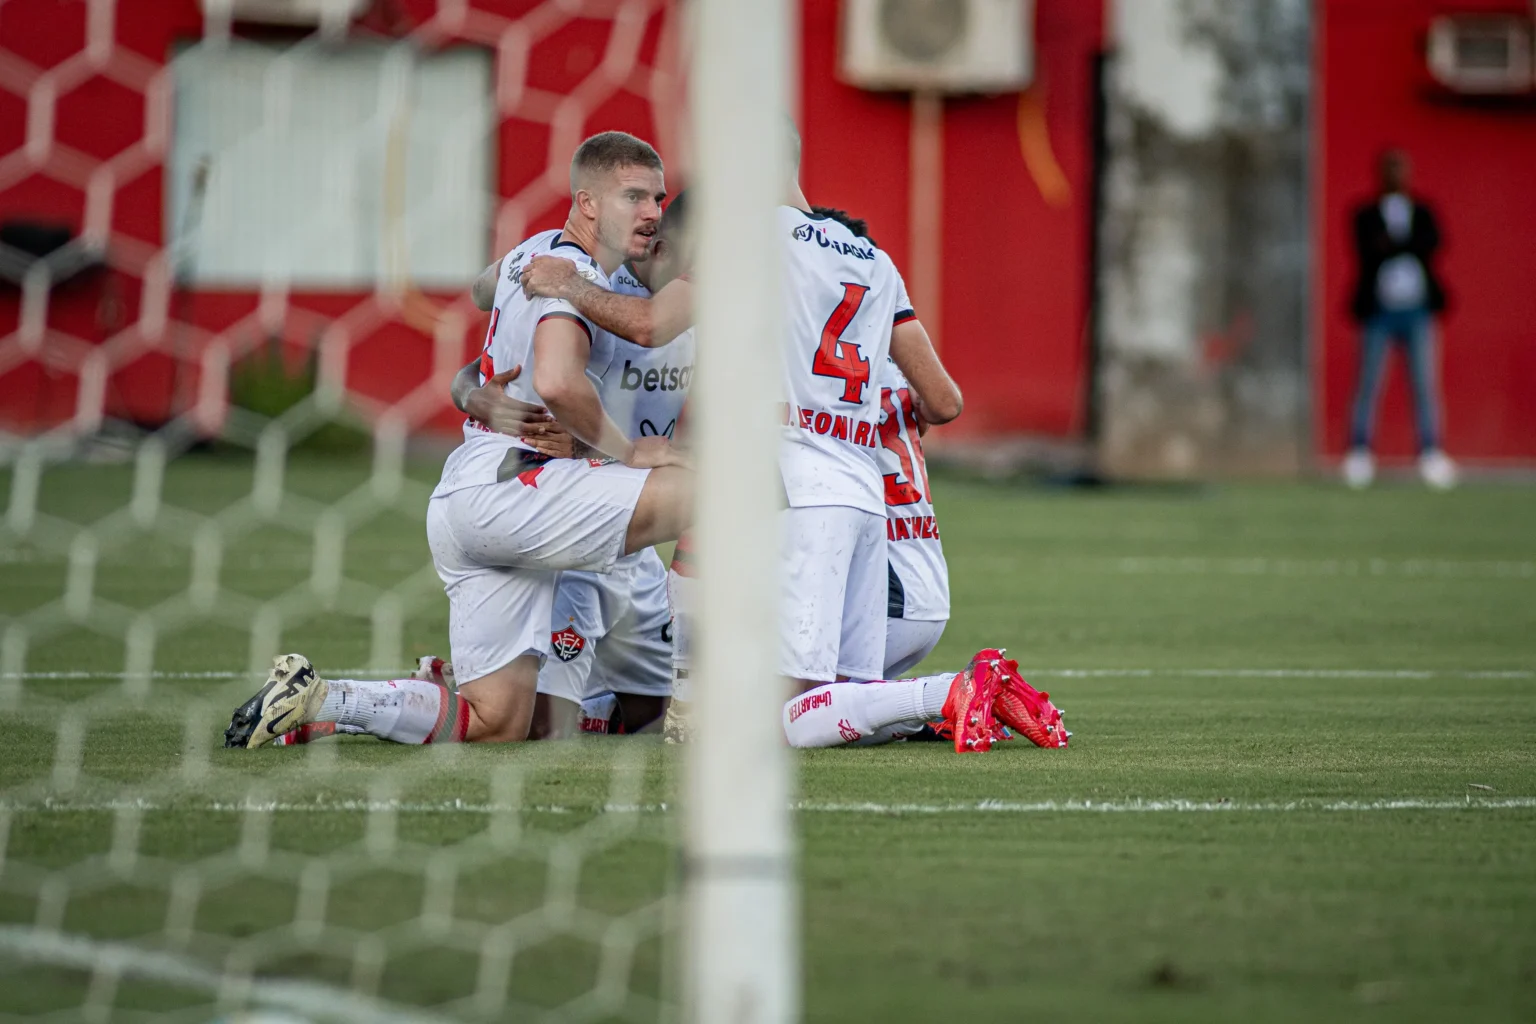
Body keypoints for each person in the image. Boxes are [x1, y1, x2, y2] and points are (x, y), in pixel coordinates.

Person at [224, 131, 696, 749]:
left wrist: (471, 384)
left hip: (473, 492)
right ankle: (695, 703)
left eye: (657, 200)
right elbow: (557, 377)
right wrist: (627, 451)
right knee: (722, 492)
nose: (651, 213)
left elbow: (485, 291)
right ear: (586, 203)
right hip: (536, 487)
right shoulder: (574, 273)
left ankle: (323, 698)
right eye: (635, 197)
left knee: (503, 722)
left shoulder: (544, 258)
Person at [1343, 149, 1456, 490]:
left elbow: (1432, 243)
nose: (1396, 175)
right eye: (1390, 169)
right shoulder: (1365, 213)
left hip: (1417, 309)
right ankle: (1360, 452)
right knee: (1368, 383)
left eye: (1401, 169)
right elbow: (1368, 250)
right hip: (1379, 311)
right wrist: (1401, 245)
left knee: (1424, 384)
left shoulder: (1422, 211)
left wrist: (1395, 244)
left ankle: (1430, 452)